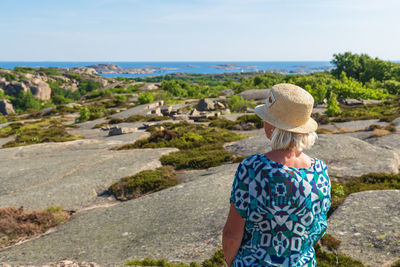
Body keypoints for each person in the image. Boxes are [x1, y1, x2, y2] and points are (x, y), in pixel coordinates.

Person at [222, 83, 331, 267]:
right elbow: (318, 229)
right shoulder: (320, 170)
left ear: (273, 126)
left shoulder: (252, 169)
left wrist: (233, 262)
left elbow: (232, 235)